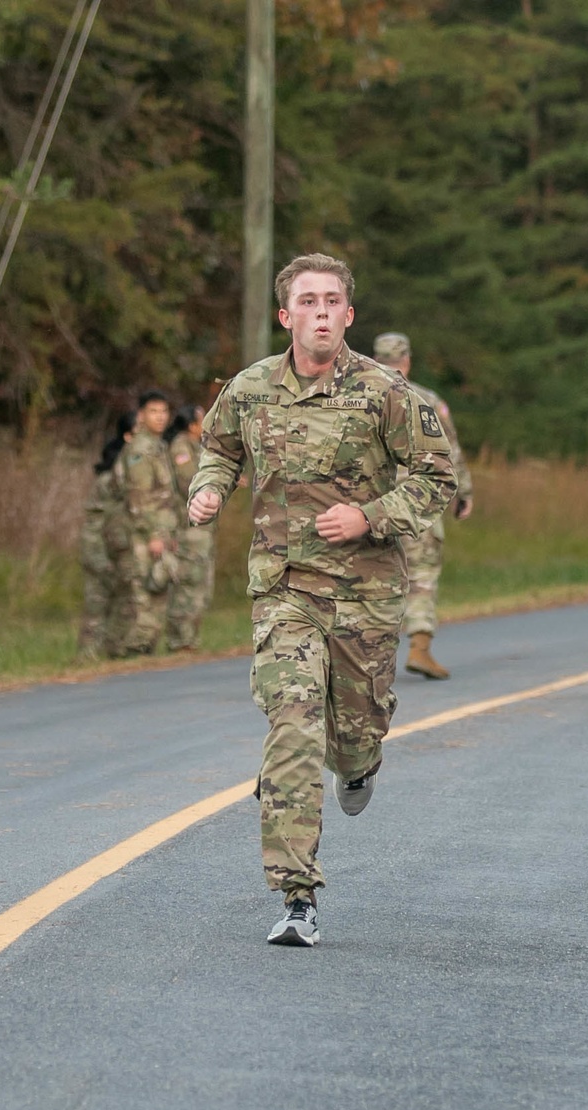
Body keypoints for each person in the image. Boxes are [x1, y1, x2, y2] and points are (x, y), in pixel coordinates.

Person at [188, 252, 457, 946]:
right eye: (307, 301)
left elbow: (436, 478)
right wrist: (209, 489)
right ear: (286, 316)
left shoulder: (386, 392)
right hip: (284, 591)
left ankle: (362, 763)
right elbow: (217, 448)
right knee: (294, 728)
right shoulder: (250, 389)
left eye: (332, 301)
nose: (321, 313)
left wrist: (370, 516)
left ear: (349, 314)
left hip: (365, 597)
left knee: (353, 735)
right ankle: (297, 895)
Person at [372, 332, 474, 680]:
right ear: (407, 361)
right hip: (417, 502)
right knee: (421, 576)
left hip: (369, 506)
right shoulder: (426, 399)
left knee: (371, 578)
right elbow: (449, 452)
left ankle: (366, 656)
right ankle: (419, 647)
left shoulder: (355, 397)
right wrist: (463, 493)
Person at [103, 389, 181, 658]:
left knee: (157, 590)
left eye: (163, 412)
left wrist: (168, 532)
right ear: (141, 415)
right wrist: (154, 534)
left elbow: (165, 498)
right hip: (142, 533)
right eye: (153, 412)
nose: (160, 417)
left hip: (160, 530)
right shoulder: (140, 449)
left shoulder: (159, 447)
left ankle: (139, 652)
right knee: (144, 596)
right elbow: (139, 498)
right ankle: (130, 654)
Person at [77, 412, 134, 658]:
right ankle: (87, 655)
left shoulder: (133, 471)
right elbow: (94, 521)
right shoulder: (109, 479)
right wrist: (97, 556)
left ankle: (115, 651)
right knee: (97, 604)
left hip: (121, 547)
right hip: (100, 547)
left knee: (125, 601)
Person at [164, 404, 215, 651]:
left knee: (199, 585)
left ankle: (190, 640)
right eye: (201, 419)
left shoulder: (198, 446)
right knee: (187, 583)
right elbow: (188, 481)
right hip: (187, 529)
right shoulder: (181, 446)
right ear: (191, 424)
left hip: (201, 529)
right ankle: (180, 640)